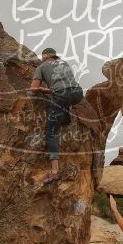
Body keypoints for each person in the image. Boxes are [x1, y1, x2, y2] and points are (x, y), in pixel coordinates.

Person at [29, 48, 83, 184]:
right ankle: (65, 116)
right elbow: (65, 85)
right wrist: (52, 90)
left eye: (43, 55)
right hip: (77, 93)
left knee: (51, 133)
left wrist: (41, 89)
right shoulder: (64, 63)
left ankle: (54, 171)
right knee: (64, 101)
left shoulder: (41, 67)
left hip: (61, 96)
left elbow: (34, 88)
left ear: (46, 56)